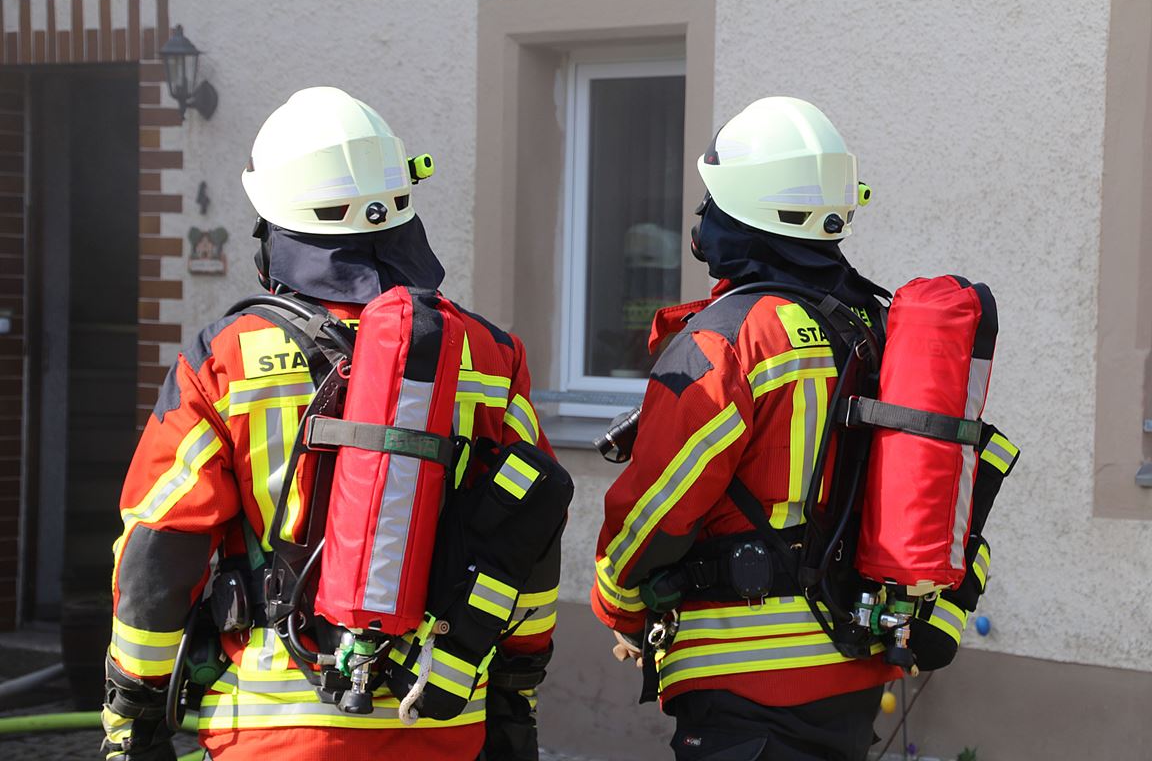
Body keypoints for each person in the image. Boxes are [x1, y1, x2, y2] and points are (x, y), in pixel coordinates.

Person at [102, 87, 560, 761]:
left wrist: (132, 708)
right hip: (439, 719)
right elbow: (532, 533)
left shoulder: (226, 358)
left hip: (271, 724)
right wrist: (517, 691)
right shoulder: (488, 355)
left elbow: (160, 546)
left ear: (276, 228)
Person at [591, 97, 901, 761]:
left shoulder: (731, 337)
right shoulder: (870, 328)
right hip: (853, 664)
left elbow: (659, 507)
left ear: (743, 214)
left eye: (715, 200)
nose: (704, 217)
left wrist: (617, 601)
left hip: (745, 677)